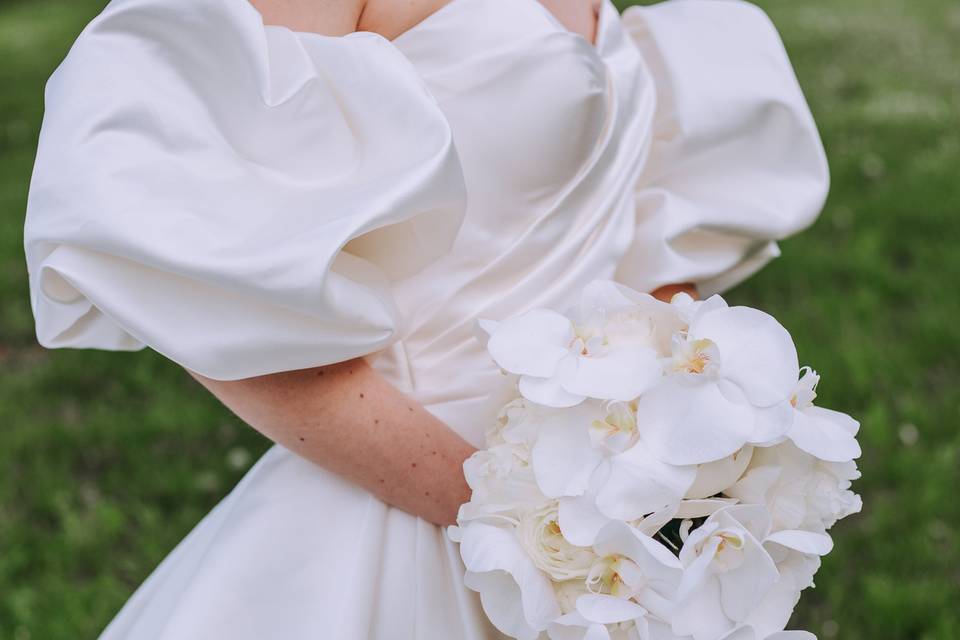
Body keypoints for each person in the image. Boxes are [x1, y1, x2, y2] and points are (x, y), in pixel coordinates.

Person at [22, 0, 829, 637]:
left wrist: (687, 455)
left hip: (612, 510)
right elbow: (214, 261)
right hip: (399, 497)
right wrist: (521, 523)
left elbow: (630, 253)